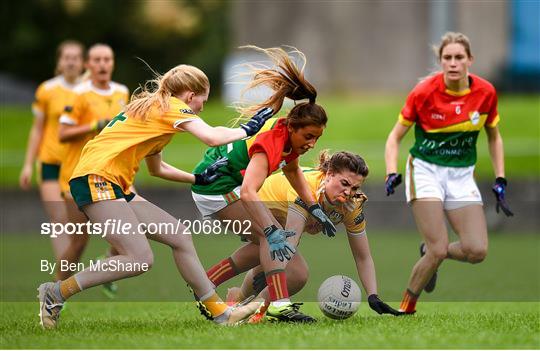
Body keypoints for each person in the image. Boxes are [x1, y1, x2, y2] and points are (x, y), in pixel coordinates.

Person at [37, 62, 275, 329]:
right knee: (140, 259)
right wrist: (247, 130)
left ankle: (220, 314)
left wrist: (196, 178)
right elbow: (211, 137)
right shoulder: (171, 107)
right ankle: (56, 292)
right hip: (97, 179)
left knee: (179, 235)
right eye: (202, 102)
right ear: (190, 95)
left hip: (114, 184)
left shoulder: (158, 112)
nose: (201, 109)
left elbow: (156, 168)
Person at [191, 46, 337, 322]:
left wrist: (315, 208)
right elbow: (248, 191)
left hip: (228, 189)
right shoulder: (271, 143)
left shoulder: (290, 141)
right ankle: (278, 304)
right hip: (215, 190)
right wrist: (270, 229)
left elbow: (294, 173)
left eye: (316, 138)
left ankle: (205, 282)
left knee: (266, 240)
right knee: (271, 236)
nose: (312, 144)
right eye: (308, 136)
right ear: (292, 127)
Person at [383, 32, 513, 314]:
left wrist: (501, 177)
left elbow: (494, 137)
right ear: (440, 61)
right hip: (425, 171)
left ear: (470, 60)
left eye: (459, 57)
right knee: (439, 248)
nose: (453, 63)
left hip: (461, 175)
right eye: (447, 58)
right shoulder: (423, 93)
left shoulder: (486, 93)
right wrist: (391, 172)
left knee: (477, 251)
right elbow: (394, 138)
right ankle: (407, 307)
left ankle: (427, 251)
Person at [209, 150, 402, 323]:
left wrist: (373, 295)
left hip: (275, 222)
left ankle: (236, 300)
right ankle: (238, 304)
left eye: (354, 188)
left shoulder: (352, 206)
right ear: (329, 175)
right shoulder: (307, 189)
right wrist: (274, 274)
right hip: (247, 206)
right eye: (344, 183)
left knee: (277, 258)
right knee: (293, 268)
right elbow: (290, 242)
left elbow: (363, 256)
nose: (348, 192)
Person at [57, 44, 128, 294]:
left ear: (113, 63)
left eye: (107, 59)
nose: (102, 64)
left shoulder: (122, 92)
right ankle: (55, 293)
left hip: (110, 177)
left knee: (127, 236)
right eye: (97, 60)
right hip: (75, 177)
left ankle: (108, 266)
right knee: (78, 242)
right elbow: (62, 133)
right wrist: (94, 124)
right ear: (88, 64)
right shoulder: (79, 94)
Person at [20, 40, 85, 280]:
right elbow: (37, 129)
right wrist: (28, 164)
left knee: (75, 225)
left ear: (82, 62)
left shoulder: (88, 91)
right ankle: (63, 279)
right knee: (58, 220)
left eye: (75, 57)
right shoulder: (47, 90)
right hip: (49, 163)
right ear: (59, 62)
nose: (70, 61)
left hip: (76, 165)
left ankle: (63, 276)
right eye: (66, 57)